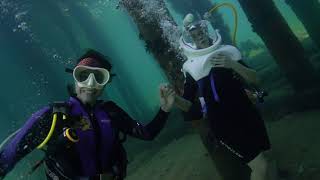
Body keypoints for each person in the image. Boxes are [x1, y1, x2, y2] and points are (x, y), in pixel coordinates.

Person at [0, 49, 175, 180]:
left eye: (99, 77)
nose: (90, 84)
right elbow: (9, 156)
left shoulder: (111, 112)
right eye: (83, 75)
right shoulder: (52, 116)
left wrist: (164, 109)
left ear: (106, 82)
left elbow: (147, 133)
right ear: (75, 77)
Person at [174, 14, 276, 180]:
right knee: (260, 166)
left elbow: (255, 79)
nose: (200, 37)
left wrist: (232, 64)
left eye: (201, 32)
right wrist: (175, 100)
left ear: (207, 30)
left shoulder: (229, 51)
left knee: (267, 155)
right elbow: (191, 109)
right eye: (195, 36)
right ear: (190, 40)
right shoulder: (191, 67)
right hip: (224, 124)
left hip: (249, 114)